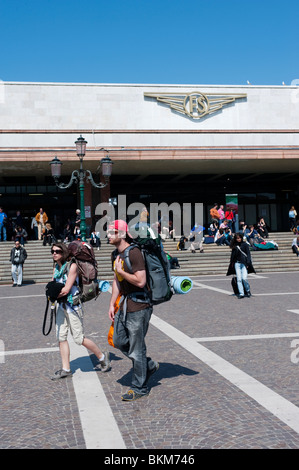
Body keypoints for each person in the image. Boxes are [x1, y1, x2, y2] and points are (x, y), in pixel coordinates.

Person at [108, 220, 159, 401]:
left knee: (137, 348)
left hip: (139, 305)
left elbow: (140, 281)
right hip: (125, 304)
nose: (108, 235)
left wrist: (122, 273)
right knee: (119, 340)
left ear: (121, 234)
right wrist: (112, 302)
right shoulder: (116, 253)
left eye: (112, 232)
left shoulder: (134, 253)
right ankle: (148, 365)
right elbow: (116, 280)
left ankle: (139, 387)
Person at [50, 242, 111, 380]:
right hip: (61, 306)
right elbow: (53, 284)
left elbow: (66, 289)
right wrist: (51, 292)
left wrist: (53, 294)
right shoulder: (56, 268)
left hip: (73, 306)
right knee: (61, 337)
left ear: (63, 252)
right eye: (52, 251)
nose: (54, 253)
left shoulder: (72, 266)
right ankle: (66, 369)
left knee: (79, 339)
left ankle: (102, 357)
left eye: (57, 251)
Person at [227, 232, 255, 299]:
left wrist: (248, 263)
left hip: (244, 263)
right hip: (237, 263)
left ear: (241, 238)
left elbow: (248, 254)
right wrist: (231, 263)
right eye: (237, 238)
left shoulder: (245, 245)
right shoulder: (234, 245)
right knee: (239, 279)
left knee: (244, 278)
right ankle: (241, 293)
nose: (238, 239)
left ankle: (248, 290)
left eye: (239, 238)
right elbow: (232, 256)